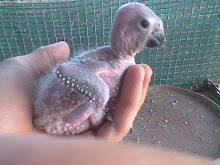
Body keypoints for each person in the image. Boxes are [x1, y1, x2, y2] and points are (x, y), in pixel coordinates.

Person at [0, 42, 215, 164]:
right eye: (146, 25)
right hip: (56, 120)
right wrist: (99, 99)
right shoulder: (107, 62)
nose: (157, 34)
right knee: (101, 95)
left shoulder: (119, 63)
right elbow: (66, 70)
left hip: (64, 124)